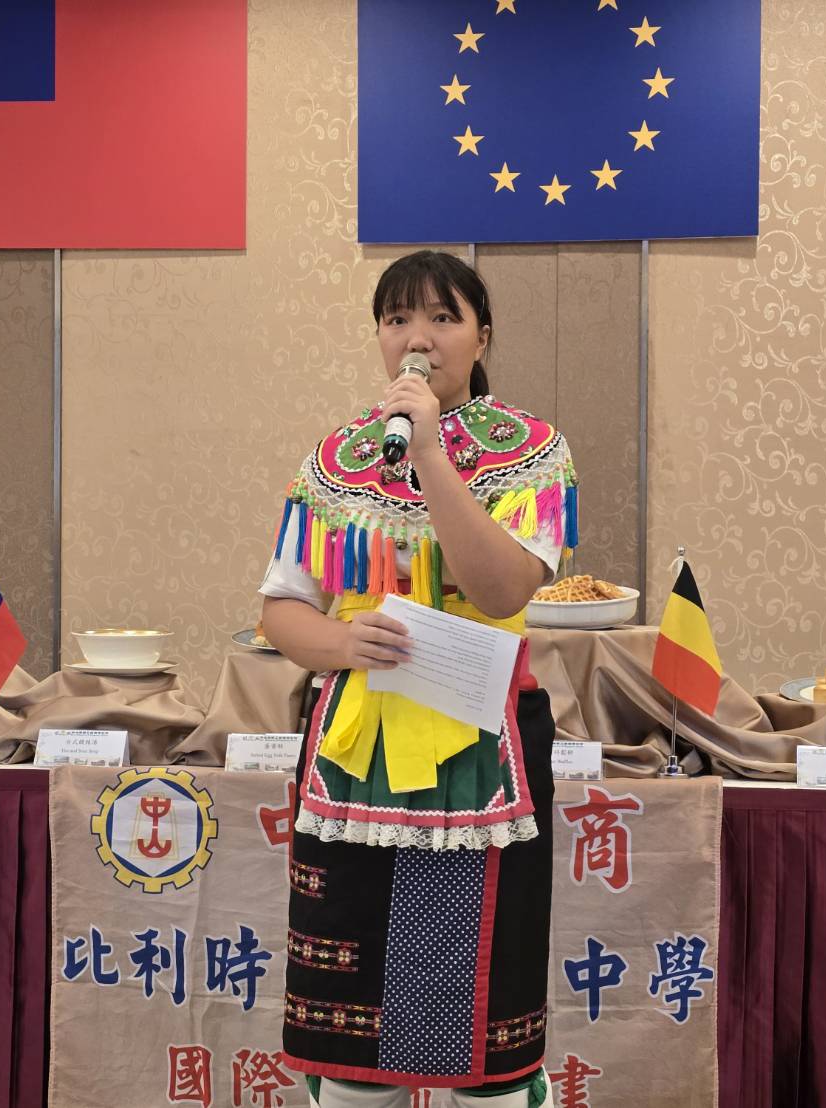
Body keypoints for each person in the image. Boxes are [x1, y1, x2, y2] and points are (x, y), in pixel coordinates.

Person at [258, 251, 578, 1108]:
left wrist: (430, 451)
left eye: (441, 317)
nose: (417, 338)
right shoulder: (333, 461)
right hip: (353, 750)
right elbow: (280, 610)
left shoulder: (533, 452)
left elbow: (503, 590)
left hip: (481, 748)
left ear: (482, 336)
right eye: (397, 319)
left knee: (476, 1023)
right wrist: (339, 641)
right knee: (351, 1024)